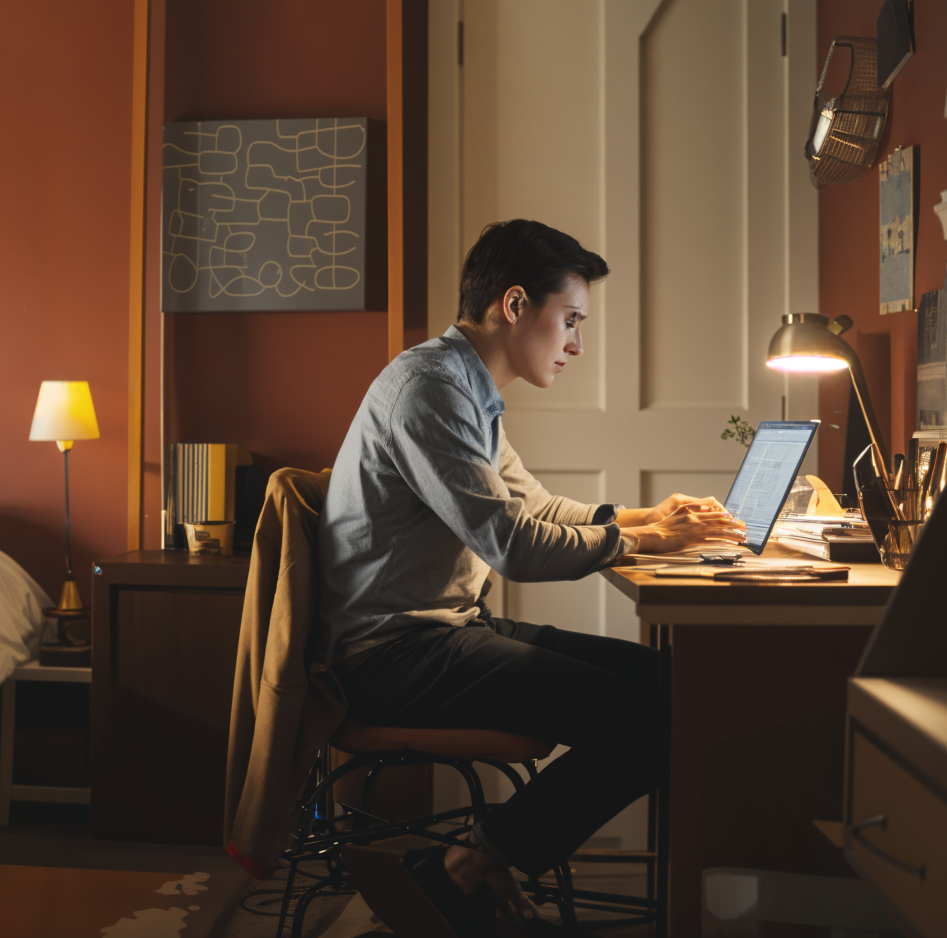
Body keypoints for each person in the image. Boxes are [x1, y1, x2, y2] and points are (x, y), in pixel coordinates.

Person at [318, 219, 746, 935]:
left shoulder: (465, 386)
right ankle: (467, 868)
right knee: (659, 718)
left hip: (442, 633)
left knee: (675, 687)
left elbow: (535, 506)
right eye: (570, 321)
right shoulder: (429, 391)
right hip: (394, 656)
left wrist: (646, 517)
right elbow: (513, 545)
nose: (577, 344)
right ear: (515, 305)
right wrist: (637, 541)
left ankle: (479, 866)